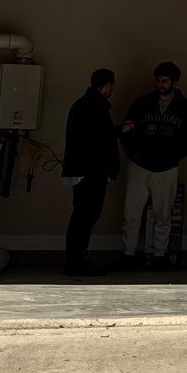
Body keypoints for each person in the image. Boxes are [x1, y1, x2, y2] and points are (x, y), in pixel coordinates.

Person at [120, 61, 187, 270]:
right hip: (140, 163)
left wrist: (174, 157)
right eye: (158, 80)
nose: (160, 84)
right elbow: (127, 129)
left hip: (167, 166)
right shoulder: (142, 104)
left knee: (163, 212)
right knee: (132, 210)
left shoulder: (185, 108)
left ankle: (159, 255)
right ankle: (128, 254)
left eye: (164, 81)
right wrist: (134, 153)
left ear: (174, 82)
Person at [59, 68, 120, 277]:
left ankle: (75, 260)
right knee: (85, 217)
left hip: (81, 170)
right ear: (108, 85)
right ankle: (77, 262)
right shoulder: (96, 107)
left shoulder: (81, 105)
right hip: (92, 172)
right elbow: (100, 139)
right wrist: (119, 131)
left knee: (81, 217)